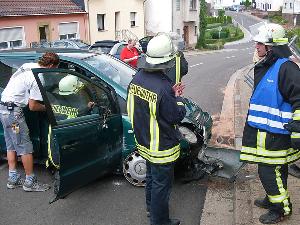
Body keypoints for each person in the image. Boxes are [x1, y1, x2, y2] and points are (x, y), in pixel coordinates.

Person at [240, 23, 300, 224]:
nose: (256, 47)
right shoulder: (270, 64)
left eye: (260, 43)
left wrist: (298, 130)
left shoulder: (287, 68)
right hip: (264, 131)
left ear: (271, 47)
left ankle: (281, 208)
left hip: (276, 134)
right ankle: (271, 197)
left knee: (268, 170)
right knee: (276, 169)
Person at [127, 33, 186, 225]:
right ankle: (159, 221)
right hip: (161, 147)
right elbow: (175, 116)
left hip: (144, 142)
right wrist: (177, 98)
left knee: (151, 178)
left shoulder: (137, 78)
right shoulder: (163, 86)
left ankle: (151, 210)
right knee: (162, 185)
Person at [0, 52, 60, 192]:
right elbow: (33, 106)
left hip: (3, 108)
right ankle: (29, 182)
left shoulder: (28, 65)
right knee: (24, 146)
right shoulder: (38, 78)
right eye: (54, 68)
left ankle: (13, 178)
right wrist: (49, 107)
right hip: (13, 115)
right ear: (50, 65)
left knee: (12, 146)